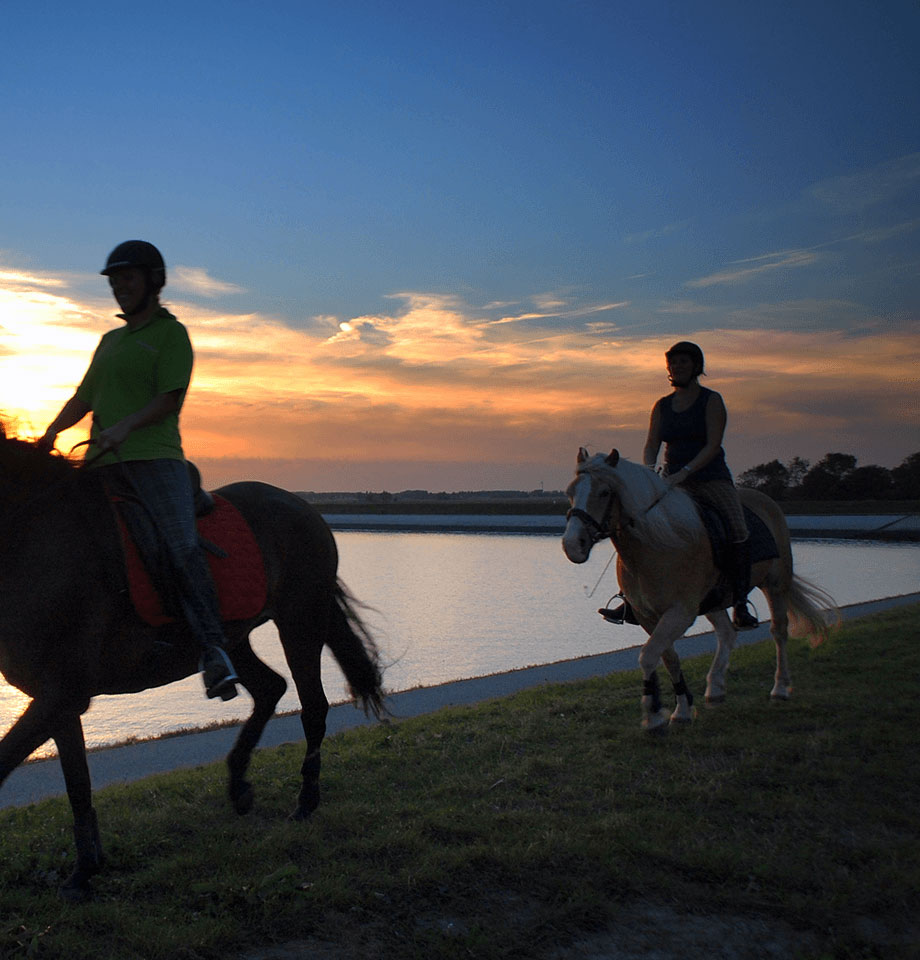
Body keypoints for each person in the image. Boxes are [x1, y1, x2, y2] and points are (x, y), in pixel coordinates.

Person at [38, 240, 240, 700]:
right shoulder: (109, 341)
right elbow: (83, 398)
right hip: (99, 464)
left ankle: (213, 650)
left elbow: (169, 398)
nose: (119, 288)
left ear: (153, 280)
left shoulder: (172, 335)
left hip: (154, 458)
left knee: (179, 544)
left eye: (127, 278)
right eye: (113, 281)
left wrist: (125, 427)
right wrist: (48, 434)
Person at [601, 341, 758, 630]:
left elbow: (713, 445)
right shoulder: (662, 406)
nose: (677, 368)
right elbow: (651, 444)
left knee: (737, 529)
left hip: (711, 479)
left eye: (683, 362)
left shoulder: (711, 401)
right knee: (638, 525)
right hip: (671, 481)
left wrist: (684, 472)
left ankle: (739, 602)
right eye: (673, 363)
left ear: (696, 366)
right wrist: (650, 474)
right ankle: (632, 599)